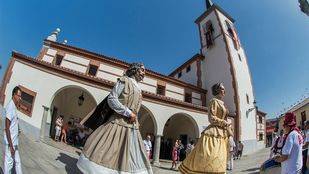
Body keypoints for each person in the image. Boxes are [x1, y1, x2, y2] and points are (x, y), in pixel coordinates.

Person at [77, 63, 153, 174]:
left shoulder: (139, 89)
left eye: (144, 71)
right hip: (117, 121)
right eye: (142, 70)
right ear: (135, 70)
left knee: (130, 155)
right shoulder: (124, 81)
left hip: (132, 127)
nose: (144, 73)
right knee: (108, 151)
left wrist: (135, 118)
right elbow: (112, 99)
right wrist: (128, 113)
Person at [179, 83, 232, 173]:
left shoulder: (222, 104)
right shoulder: (213, 101)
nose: (224, 91)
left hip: (223, 133)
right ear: (217, 90)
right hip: (214, 132)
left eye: (224, 89)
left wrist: (228, 129)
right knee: (210, 156)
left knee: (220, 158)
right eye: (222, 89)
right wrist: (224, 123)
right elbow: (211, 118)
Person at [3, 86, 23, 174]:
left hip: (15, 141)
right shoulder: (10, 106)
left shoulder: (14, 106)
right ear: (14, 95)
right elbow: (7, 128)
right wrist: (10, 145)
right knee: (9, 163)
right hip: (10, 142)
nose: (20, 98)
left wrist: (17, 129)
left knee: (18, 162)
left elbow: (13, 124)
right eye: (19, 96)